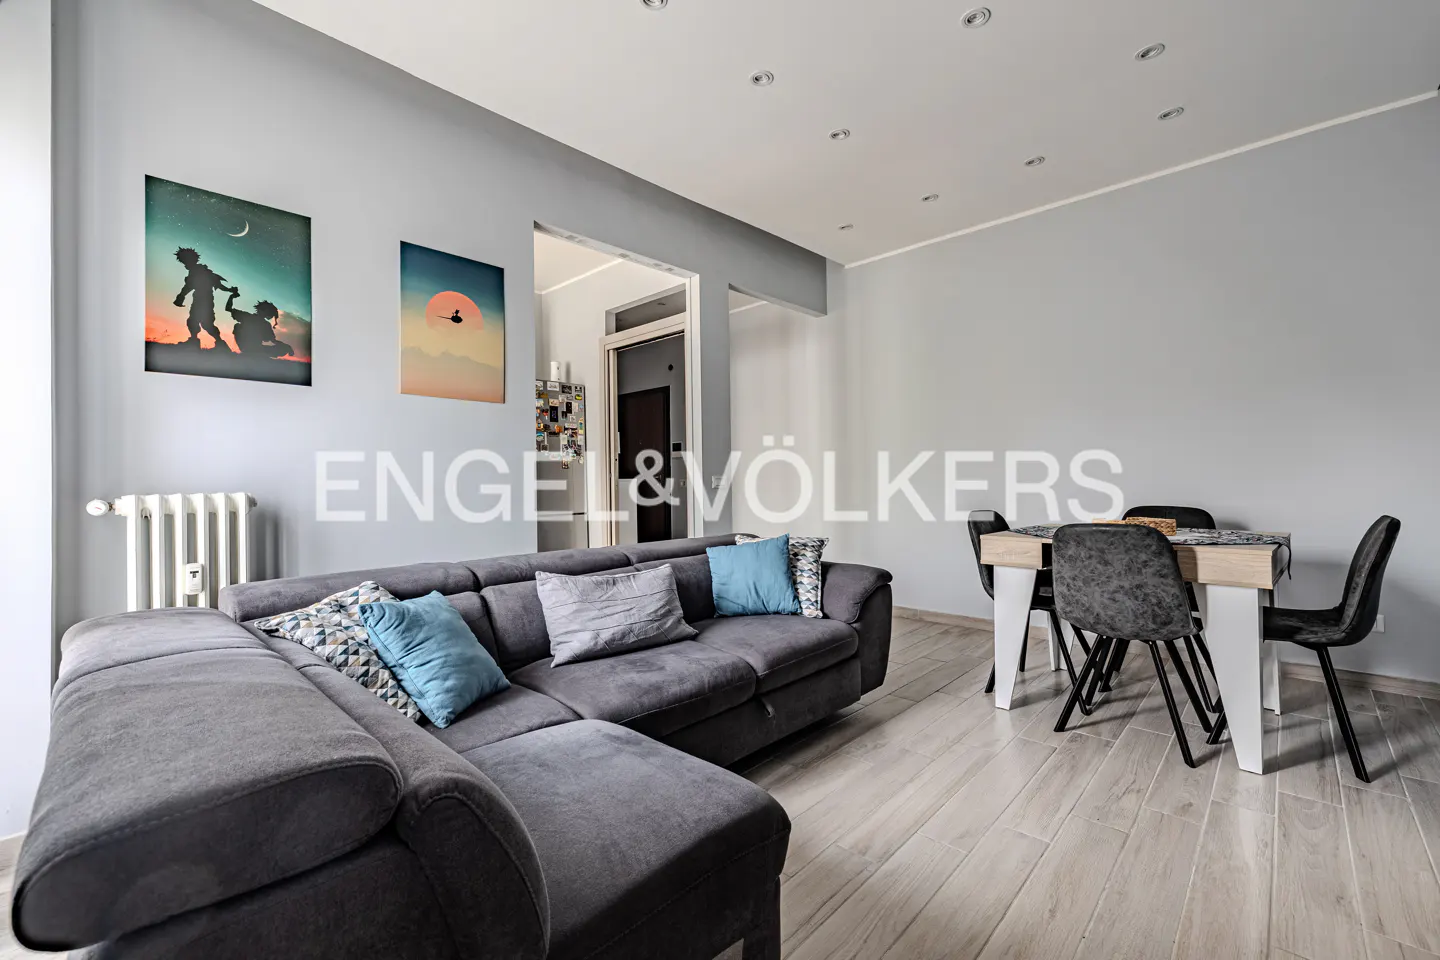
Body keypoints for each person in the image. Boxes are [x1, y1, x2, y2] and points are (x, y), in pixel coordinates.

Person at [171, 247, 235, 351]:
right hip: (202, 300)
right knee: (197, 321)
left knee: (204, 323)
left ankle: (218, 344)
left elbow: (189, 285)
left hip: (203, 300)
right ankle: (197, 341)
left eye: (185, 262)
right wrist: (230, 290)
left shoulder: (197, 271)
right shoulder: (200, 270)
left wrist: (181, 296)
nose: (185, 265)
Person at [224, 290, 292, 359]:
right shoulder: (247, 317)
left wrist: (286, 347)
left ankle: (253, 353)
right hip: (249, 348)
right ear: (263, 310)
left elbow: (273, 340)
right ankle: (250, 352)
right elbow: (228, 308)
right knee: (237, 325)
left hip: (257, 349)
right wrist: (231, 296)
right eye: (269, 312)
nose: (271, 315)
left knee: (282, 349)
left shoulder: (265, 324)